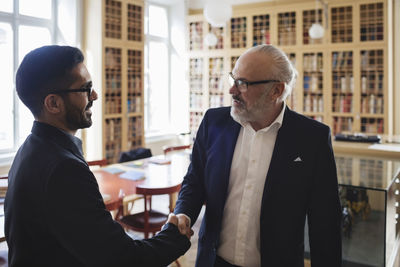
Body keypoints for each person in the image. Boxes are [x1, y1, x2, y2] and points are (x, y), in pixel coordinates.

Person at [5, 45, 191, 267]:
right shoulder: (64, 169)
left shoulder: (30, 149)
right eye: (86, 88)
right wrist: (174, 237)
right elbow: (122, 259)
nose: (95, 95)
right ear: (53, 103)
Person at [174, 44, 342, 267]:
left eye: (243, 83)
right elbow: (194, 182)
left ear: (276, 91)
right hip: (213, 261)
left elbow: (325, 223)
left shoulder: (312, 139)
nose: (232, 90)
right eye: (233, 79)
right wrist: (183, 213)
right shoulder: (213, 123)